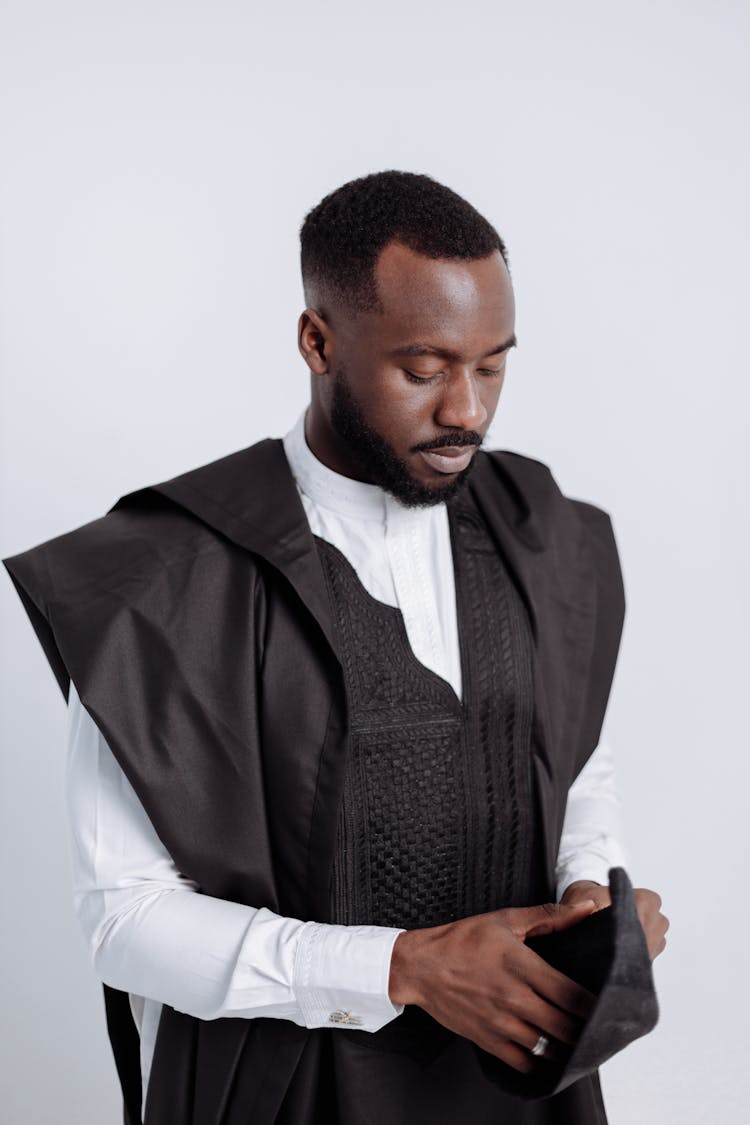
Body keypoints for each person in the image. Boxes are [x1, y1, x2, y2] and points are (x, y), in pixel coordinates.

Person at [4, 170, 668, 1125]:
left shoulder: (548, 531)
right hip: (282, 1094)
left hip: (527, 1089)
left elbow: (573, 757)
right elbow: (125, 920)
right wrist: (402, 969)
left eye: (493, 365)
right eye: (425, 366)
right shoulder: (160, 581)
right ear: (317, 341)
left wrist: (589, 893)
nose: (468, 411)